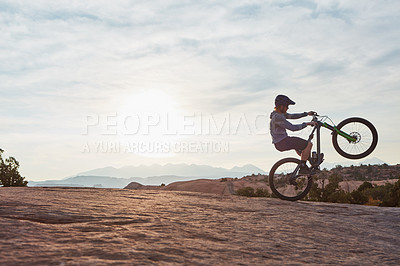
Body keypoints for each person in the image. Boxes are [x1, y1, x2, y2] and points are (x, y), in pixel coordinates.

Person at [270, 95, 316, 174]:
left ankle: (307, 163)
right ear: (281, 106)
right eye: (287, 106)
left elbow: (293, 116)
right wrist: (307, 124)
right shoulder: (278, 117)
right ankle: (303, 168)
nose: (288, 108)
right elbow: (293, 128)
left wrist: (306, 114)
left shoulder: (278, 114)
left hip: (281, 142)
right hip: (283, 142)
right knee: (308, 144)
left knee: (303, 150)